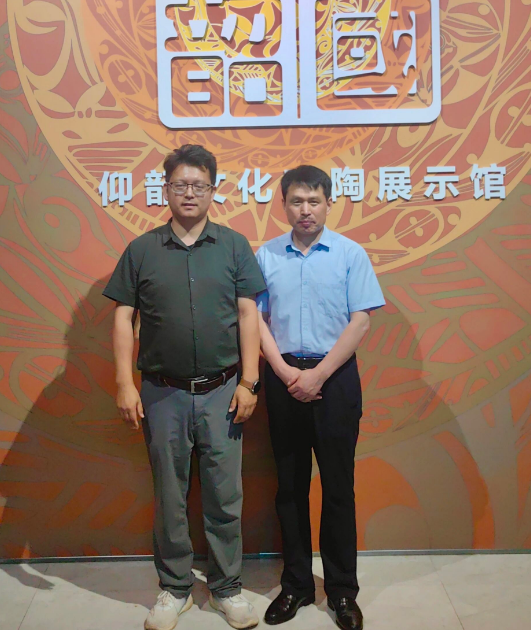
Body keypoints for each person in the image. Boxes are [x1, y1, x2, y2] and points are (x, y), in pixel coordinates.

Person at [103, 144, 266, 630]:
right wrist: (124, 383)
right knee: (170, 496)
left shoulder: (234, 245)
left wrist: (250, 381)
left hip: (223, 390)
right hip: (162, 392)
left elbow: (248, 314)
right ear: (166, 189)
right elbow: (123, 318)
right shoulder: (142, 250)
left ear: (213, 190)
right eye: (180, 185)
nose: (189, 193)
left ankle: (226, 588)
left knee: (224, 495)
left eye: (199, 185)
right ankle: (174, 588)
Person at [255, 166, 385, 630]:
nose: (305, 210)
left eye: (314, 201)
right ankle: (296, 585)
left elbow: (361, 320)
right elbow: (256, 321)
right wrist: (286, 371)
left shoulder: (350, 254)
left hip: (335, 379)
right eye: (296, 201)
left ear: (329, 203)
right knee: (289, 487)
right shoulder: (266, 255)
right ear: (284, 205)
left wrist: (320, 374)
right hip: (284, 376)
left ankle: (342, 591)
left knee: (338, 487)